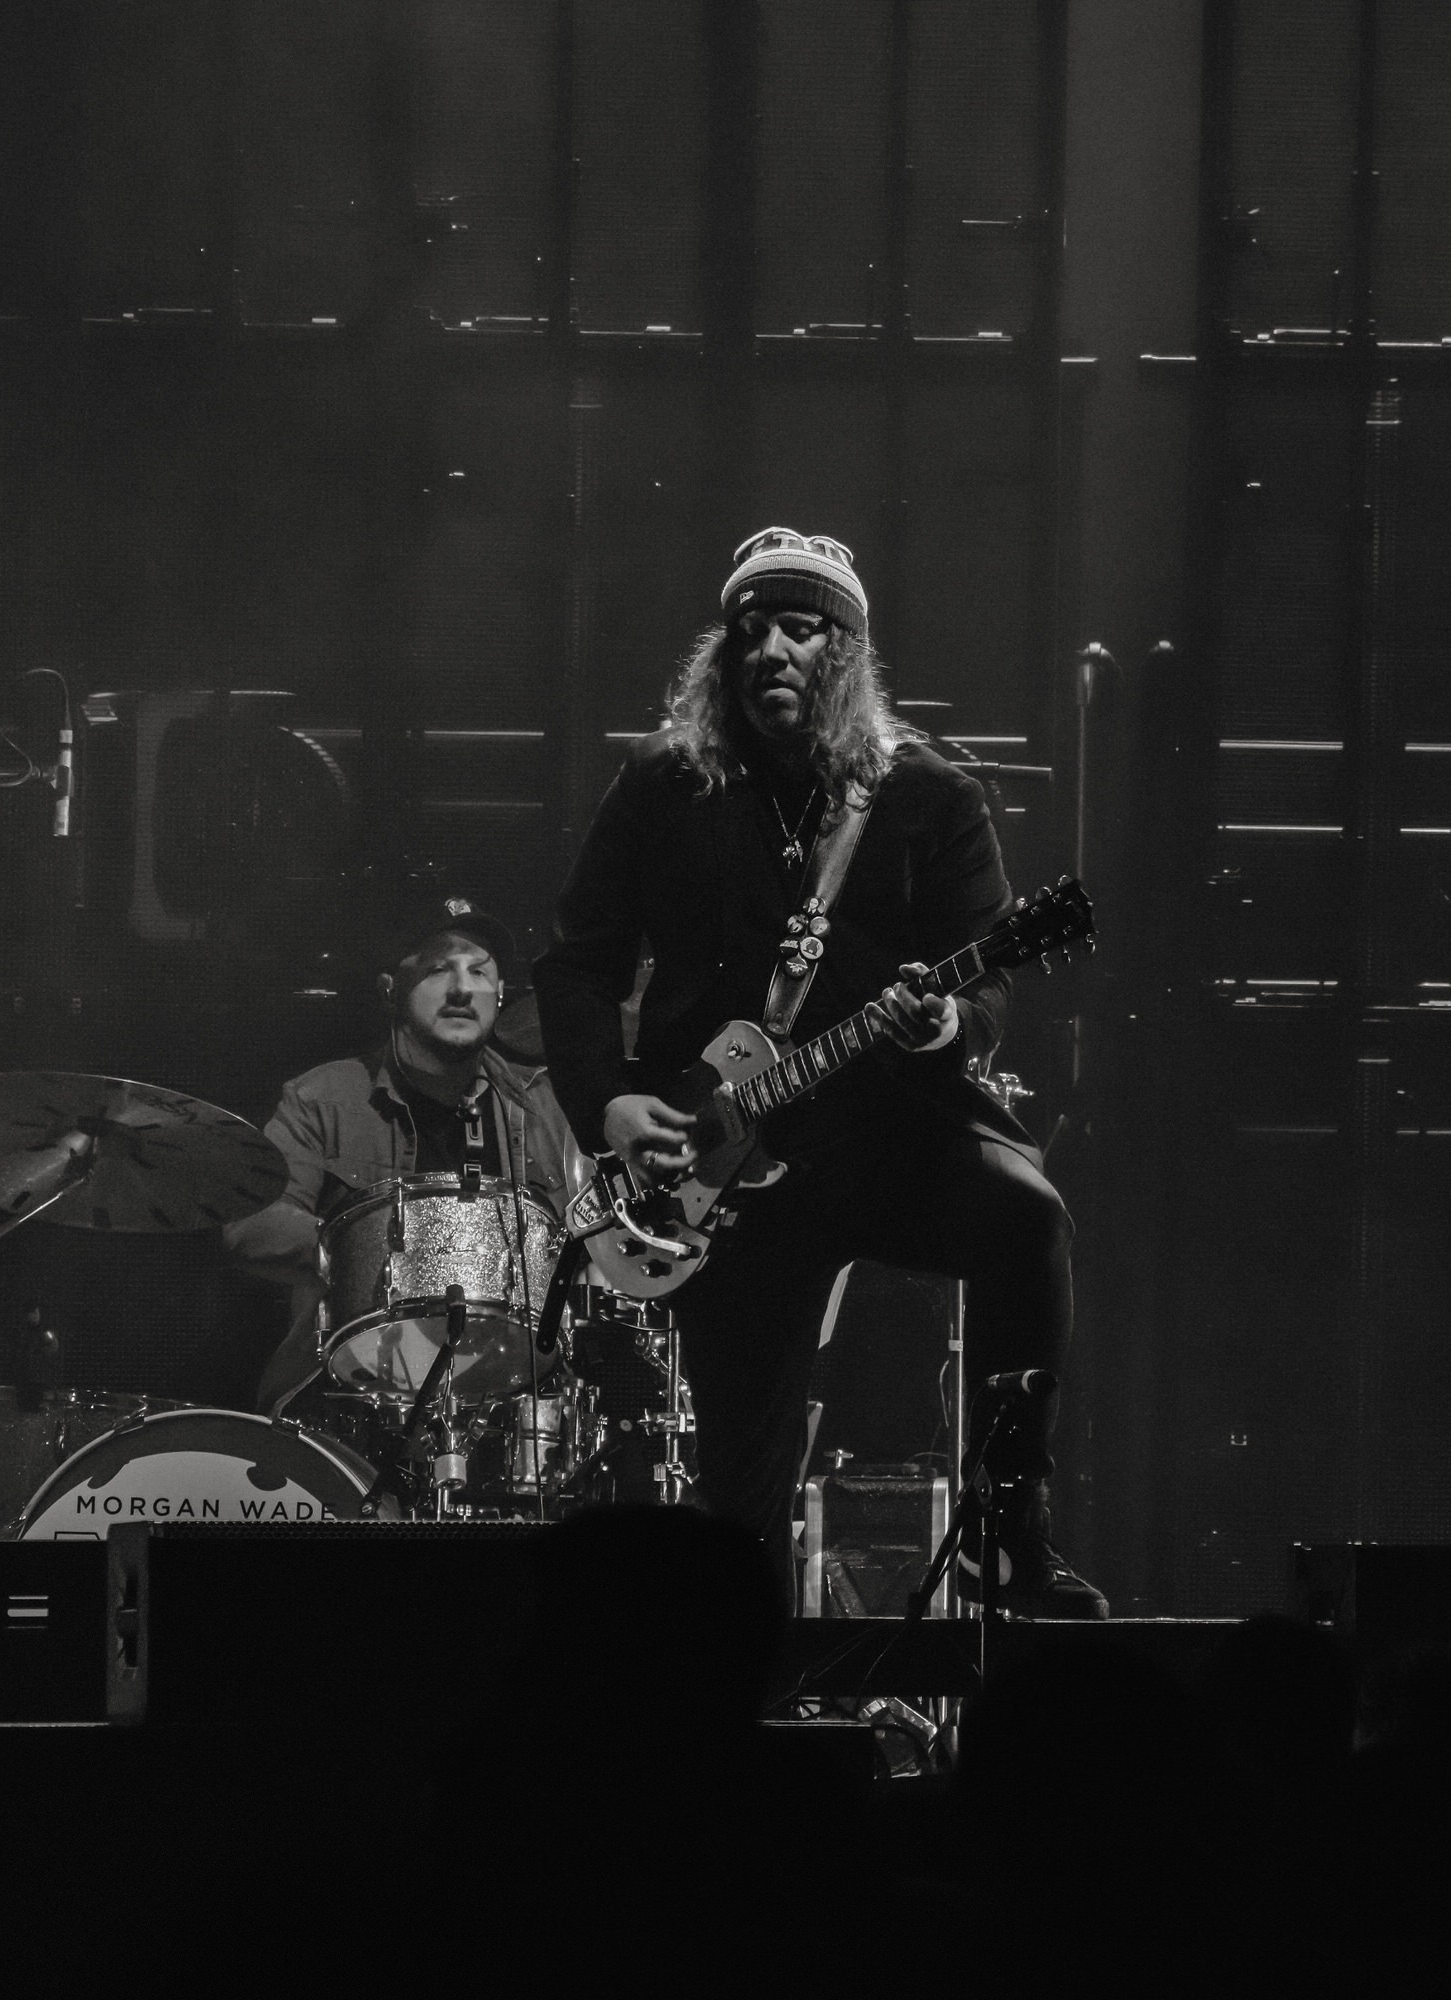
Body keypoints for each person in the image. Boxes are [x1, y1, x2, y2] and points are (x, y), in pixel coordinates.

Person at [533, 526, 1105, 1617]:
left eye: (799, 628)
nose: (770, 651)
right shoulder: (664, 783)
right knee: (738, 1490)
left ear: (844, 653)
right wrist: (608, 1101)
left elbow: (988, 981)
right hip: (726, 1162)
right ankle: (734, 1668)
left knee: (1027, 1220)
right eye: (750, 630)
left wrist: (944, 1026)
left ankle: (1006, 1524)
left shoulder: (930, 794)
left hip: (890, 1133)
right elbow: (578, 961)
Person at [229, 897, 584, 1414]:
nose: (462, 989)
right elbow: (250, 1226)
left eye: (479, 972)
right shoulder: (322, 1097)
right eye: (438, 969)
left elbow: (601, 1243)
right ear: (389, 989)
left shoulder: (548, 1108)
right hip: (350, 1395)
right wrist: (379, 1253)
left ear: (500, 994)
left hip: (519, 1400)